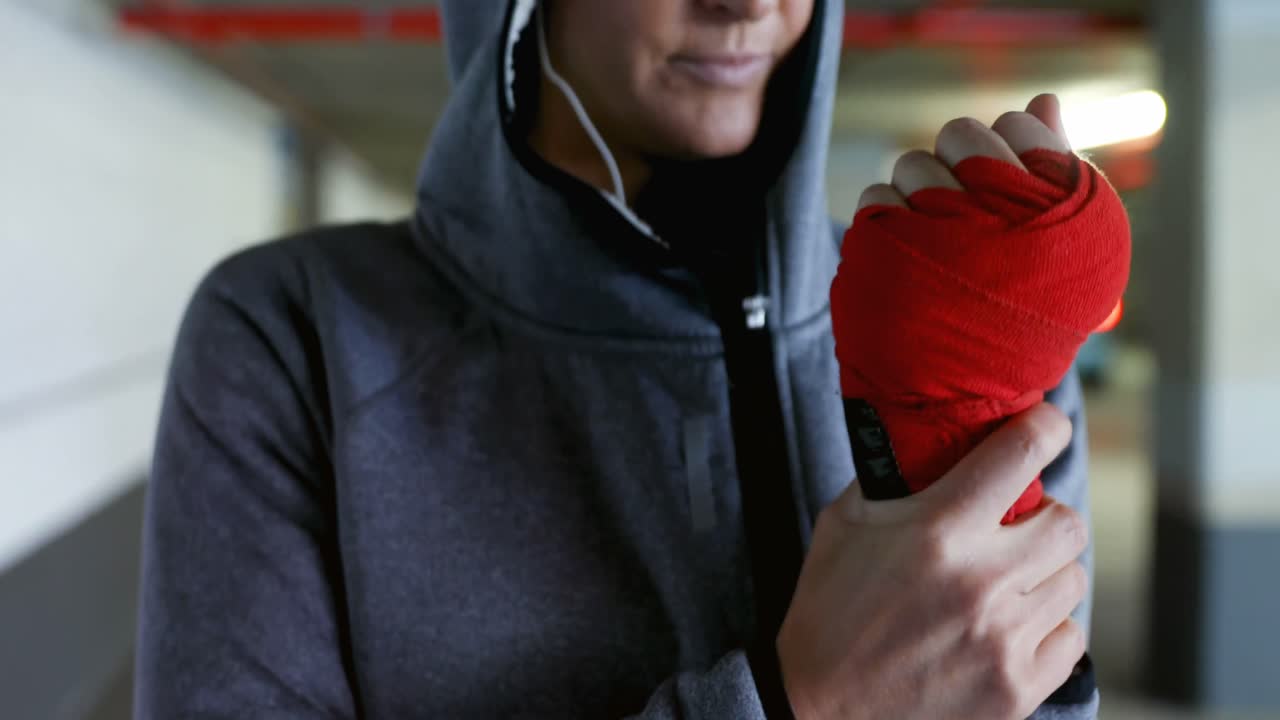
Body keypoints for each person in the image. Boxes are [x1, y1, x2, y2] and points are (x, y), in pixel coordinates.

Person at [134, 1, 1098, 718]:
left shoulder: (944, 321)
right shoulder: (300, 338)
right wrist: (800, 702)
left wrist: (960, 402)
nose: (747, 6)